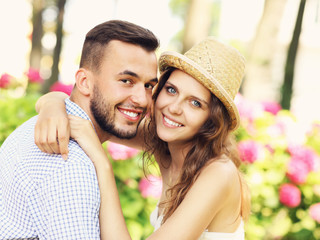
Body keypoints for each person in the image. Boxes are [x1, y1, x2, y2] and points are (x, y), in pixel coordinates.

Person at [35, 37, 251, 239]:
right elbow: (92, 112)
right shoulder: (163, 141)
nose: (174, 108)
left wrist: (102, 164)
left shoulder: (219, 173)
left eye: (195, 103)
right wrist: (53, 107)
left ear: (211, 120)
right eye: (171, 90)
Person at [0, 19, 159, 240]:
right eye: (126, 80)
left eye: (149, 85)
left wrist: (52, 101)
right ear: (84, 82)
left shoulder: (38, 126)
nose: (143, 99)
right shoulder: (70, 161)